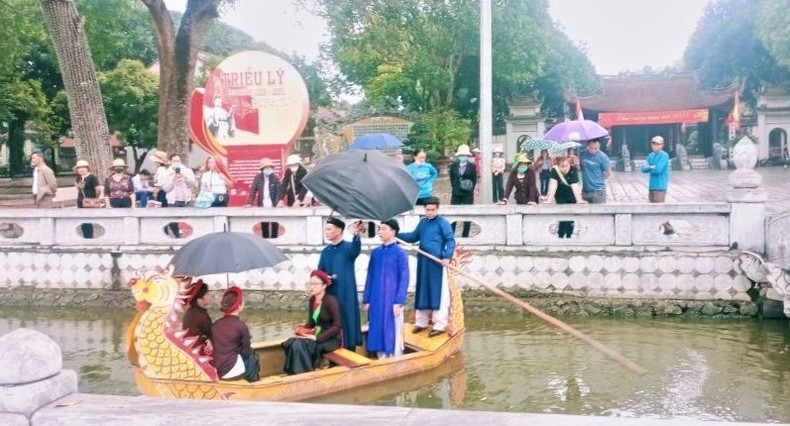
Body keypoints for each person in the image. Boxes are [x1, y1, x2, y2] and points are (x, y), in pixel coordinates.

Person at [398, 196, 455, 338]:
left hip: (437, 263)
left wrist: (447, 257)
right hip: (424, 262)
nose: (429, 212)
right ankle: (421, 322)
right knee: (423, 290)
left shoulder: (443, 223)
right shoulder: (423, 223)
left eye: (432, 210)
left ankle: (440, 324)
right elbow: (413, 237)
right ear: (424, 209)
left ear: (437, 209)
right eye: (427, 210)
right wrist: (396, 234)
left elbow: (450, 241)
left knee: (438, 293)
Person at [363, 219, 409, 358]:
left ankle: (395, 356)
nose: (380, 232)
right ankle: (380, 355)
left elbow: (404, 278)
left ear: (393, 231)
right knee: (376, 325)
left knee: (392, 326)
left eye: (383, 229)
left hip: (392, 298)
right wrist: (367, 299)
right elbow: (370, 275)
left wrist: (398, 301)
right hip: (376, 297)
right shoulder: (376, 253)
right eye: (379, 229)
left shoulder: (401, 253)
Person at [282, 270, 342, 375]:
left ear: (324, 286)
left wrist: (317, 338)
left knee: (299, 345)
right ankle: (296, 373)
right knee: (292, 342)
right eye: (311, 284)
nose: (312, 287)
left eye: (315, 284)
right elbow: (311, 323)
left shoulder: (331, 301)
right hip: (316, 335)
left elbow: (337, 326)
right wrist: (302, 330)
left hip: (330, 340)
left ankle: (303, 374)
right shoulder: (312, 300)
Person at [317, 217, 364, 350]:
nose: (326, 232)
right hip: (330, 293)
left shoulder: (349, 248)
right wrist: (325, 278)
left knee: (347, 317)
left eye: (328, 229)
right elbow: (320, 271)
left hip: (346, 293)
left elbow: (356, 249)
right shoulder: (325, 251)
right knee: (331, 320)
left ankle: (349, 348)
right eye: (325, 229)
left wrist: (356, 234)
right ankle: (332, 347)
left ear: (338, 230)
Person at [210, 286, 259, 382]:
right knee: (253, 357)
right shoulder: (240, 325)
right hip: (233, 370)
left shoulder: (216, 324)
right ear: (239, 305)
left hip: (218, 370)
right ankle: (254, 383)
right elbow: (247, 352)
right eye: (242, 300)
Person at [545, 156, 587, 238]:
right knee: (563, 216)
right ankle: (560, 235)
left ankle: (569, 235)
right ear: (558, 166)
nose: (565, 168)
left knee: (571, 217)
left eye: (566, 166)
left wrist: (579, 200)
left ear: (569, 165)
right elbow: (553, 185)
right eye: (562, 166)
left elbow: (575, 185)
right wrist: (549, 200)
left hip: (572, 196)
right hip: (560, 196)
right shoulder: (554, 171)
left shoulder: (573, 170)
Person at [247, 158, 282, 238]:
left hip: (273, 204)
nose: (268, 169)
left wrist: (277, 204)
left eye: (270, 168)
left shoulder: (275, 178)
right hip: (262, 204)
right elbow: (253, 191)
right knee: (264, 224)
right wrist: (250, 203)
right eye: (266, 168)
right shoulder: (258, 178)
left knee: (274, 224)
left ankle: (274, 240)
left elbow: (278, 192)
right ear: (262, 169)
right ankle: (265, 240)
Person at [449, 144, 476, 237]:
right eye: (461, 155)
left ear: (467, 156)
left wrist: (470, 189)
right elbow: (452, 179)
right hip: (456, 193)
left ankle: (465, 235)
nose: (463, 157)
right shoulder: (453, 166)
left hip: (468, 194)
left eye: (465, 155)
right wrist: (456, 188)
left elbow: (474, 179)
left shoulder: (472, 166)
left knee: (467, 215)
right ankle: (451, 235)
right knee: (453, 215)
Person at [182, 280, 213, 348]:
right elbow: (211, 333)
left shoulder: (191, 312)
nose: (210, 296)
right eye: (207, 294)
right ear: (199, 299)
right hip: (199, 351)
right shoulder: (200, 316)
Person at [74, 160, 101, 238]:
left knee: (88, 220)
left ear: (87, 168)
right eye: (79, 168)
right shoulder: (79, 178)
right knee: (83, 220)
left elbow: (98, 189)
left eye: (83, 167)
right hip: (80, 201)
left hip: (89, 202)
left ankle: (89, 237)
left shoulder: (92, 177)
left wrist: (94, 198)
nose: (81, 169)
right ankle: (85, 236)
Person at [579, 139, 611, 204]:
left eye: (596, 148)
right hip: (585, 190)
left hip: (598, 191)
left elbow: (608, 173)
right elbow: (580, 167)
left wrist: (599, 179)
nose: (593, 150)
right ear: (587, 146)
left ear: (599, 146)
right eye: (591, 148)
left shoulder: (603, 157)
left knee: (599, 212)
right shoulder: (583, 154)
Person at [640, 135, 670, 203]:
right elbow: (643, 169)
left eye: (658, 144)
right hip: (652, 186)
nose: (655, 146)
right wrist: (652, 167)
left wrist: (649, 167)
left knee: (659, 208)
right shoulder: (651, 155)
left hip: (660, 186)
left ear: (662, 145)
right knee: (651, 208)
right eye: (653, 144)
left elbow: (658, 170)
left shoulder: (664, 155)